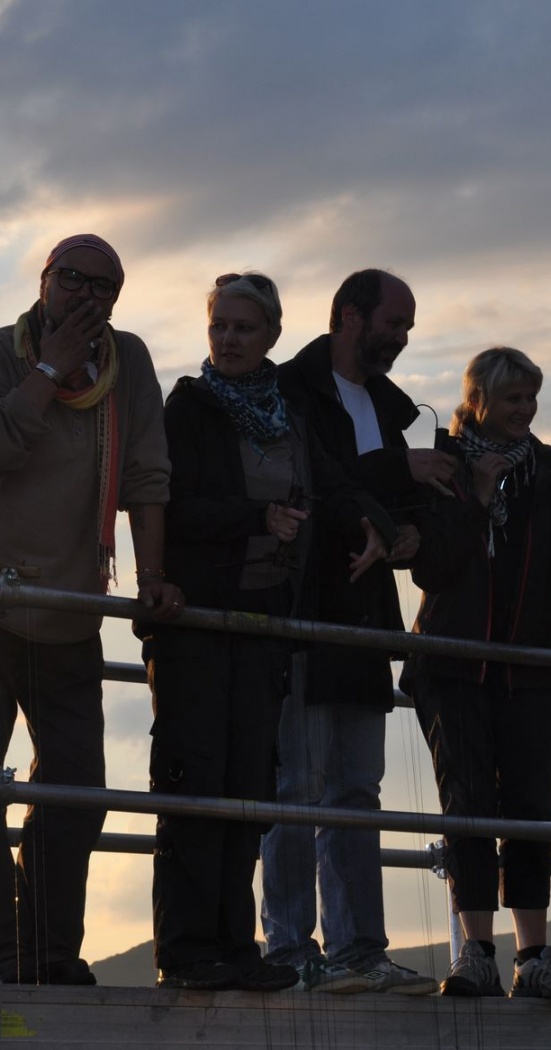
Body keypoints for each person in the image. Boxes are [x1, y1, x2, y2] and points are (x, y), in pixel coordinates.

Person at [0, 233, 183, 985]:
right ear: (44, 281)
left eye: (103, 287)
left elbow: (147, 475)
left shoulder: (129, 364)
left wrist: (153, 574)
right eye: (73, 279)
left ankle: (48, 952)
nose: (87, 296)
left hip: (64, 605)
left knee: (76, 787)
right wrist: (50, 368)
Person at [145, 272, 395, 991]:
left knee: (250, 789)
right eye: (219, 325)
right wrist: (254, 519)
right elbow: (169, 507)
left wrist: (374, 523)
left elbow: (331, 485)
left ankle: (236, 949)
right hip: (198, 625)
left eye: (243, 328)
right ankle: (187, 952)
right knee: (195, 787)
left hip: (265, 629)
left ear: (272, 336)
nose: (227, 339)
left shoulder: (290, 413)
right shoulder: (187, 408)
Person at [260, 269, 454, 995]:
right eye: (393, 324)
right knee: (296, 785)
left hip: (366, 618)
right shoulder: (286, 390)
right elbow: (312, 482)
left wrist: (408, 533)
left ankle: (357, 951)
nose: (401, 339)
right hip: (303, 611)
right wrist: (398, 472)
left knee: (356, 790)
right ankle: (288, 949)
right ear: (348, 316)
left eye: (407, 328)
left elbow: (386, 499)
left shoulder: (386, 406)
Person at [401, 346, 551, 1000]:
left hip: (531, 666)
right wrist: (479, 495)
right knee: (467, 803)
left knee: (530, 804)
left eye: (531, 397)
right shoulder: (440, 465)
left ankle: (534, 956)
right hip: (451, 662)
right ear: (478, 399)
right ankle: (477, 953)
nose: (525, 409)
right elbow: (431, 567)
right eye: (513, 398)